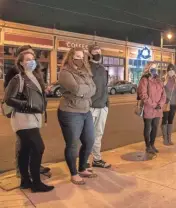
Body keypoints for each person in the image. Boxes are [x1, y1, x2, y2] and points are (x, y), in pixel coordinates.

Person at [4, 49, 54, 192]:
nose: (31, 62)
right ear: (20, 62)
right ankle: (36, 183)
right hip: (23, 119)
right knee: (38, 148)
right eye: (27, 59)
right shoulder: (18, 78)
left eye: (32, 59)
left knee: (25, 149)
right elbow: (8, 99)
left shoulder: (35, 76)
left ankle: (25, 181)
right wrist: (27, 105)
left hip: (33, 118)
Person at [57, 47, 97, 185]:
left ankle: (82, 168)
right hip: (70, 112)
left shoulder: (85, 71)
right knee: (73, 144)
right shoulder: (65, 72)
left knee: (89, 140)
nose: (80, 59)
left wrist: (84, 91)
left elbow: (94, 88)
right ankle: (74, 174)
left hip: (85, 111)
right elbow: (77, 89)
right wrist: (86, 90)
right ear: (70, 57)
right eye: (77, 57)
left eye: (82, 57)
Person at [87, 44, 111, 169]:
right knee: (87, 135)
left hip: (102, 106)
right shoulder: (86, 68)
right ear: (90, 53)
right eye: (95, 51)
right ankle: (84, 160)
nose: (98, 53)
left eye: (100, 51)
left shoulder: (102, 69)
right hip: (90, 107)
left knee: (98, 134)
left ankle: (97, 159)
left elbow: (105, 88)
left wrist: (107, 104)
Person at [137, 62, 166, 154]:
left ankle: (152, 144)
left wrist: (160, 104)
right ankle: (148, 146)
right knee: (148, 127)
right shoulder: (144, 80)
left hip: (158, 109)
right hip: (148, 108)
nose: (154, 69)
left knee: (155, 127)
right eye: (152, 67)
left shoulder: (159, 80)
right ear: (148, 68)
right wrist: (154, 104)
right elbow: (143, 95)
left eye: (155, 67)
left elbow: (164, 95)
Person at [161, 64, 176, 146]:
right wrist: (165, 80)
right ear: (167, 71)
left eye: (172, 70)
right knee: (165, 119)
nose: (171, 71)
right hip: (166, 103)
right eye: (169, 70)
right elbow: (160, 89)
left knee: (170, 120)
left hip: (174, 103)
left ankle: (169, 138)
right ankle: (165, 139)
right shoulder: (164, 78)